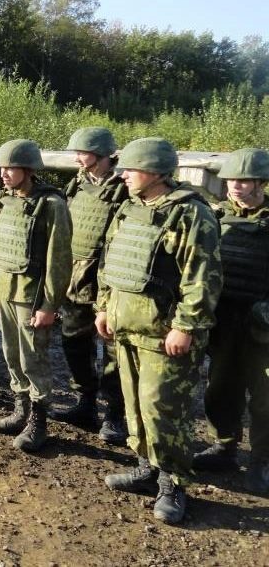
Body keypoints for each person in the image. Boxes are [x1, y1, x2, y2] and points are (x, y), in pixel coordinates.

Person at [96, 137, 222, 525]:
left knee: (164, 409)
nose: (123, 175)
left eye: (130, 169)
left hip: (164, 334)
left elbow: (202, 278)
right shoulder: (130, 208)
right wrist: (104, 305)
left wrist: (185, 326)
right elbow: (110, 259)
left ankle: (173, 482)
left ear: (153, 172)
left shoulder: (191, 215)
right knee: (134, 404)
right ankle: (146, 466)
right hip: (126, 325)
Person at [0, 139, 72, 453]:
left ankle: (38, 420)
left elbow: (59, 260)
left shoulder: (51, 204)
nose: (4, 174)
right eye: (1, 169)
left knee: (33, 358)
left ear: (28, 169)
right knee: (11, 354)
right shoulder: (4, 200)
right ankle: (20, 410)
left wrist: (50, 305)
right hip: (5, 291)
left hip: (31, 297)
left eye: (10, 168)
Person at [192, 147, 269, 495]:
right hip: (225, 319)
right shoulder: (216, 216)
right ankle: (224, 446)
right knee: (221, 387)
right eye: (230, 180)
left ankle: (261, 462)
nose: (235, 186)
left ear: (261, 183)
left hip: (263, 325)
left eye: (243, 180)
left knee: (265, 397)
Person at [53, 127, 129, 444]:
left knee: (114, 351)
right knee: (74, 343)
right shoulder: (79, 185)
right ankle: (85, 403)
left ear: (100, 156)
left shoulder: (124, 190)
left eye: (81, 153)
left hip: (110, 281)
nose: (76, 158)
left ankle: (114, 415)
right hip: (76, 278)